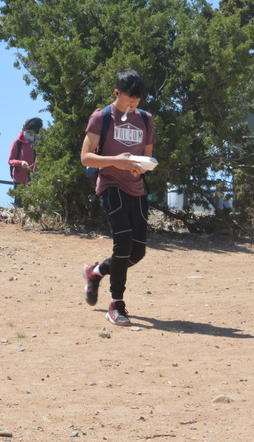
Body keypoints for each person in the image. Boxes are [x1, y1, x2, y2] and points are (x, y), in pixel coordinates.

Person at [80, 69, 155, 327]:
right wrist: (116, 162)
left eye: (137, 99)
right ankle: (116, 304)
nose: (132, 104)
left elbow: (147, 156)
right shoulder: (101, 117)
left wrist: (140, 167)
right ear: (116, 93)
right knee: (122, 243)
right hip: (110, 184)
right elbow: (86, 157)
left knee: (137, 253)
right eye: (128, 98)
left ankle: (96, 272)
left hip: (137, 188)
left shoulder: (146, 119)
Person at [8, 117, 43, 208]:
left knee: (33, 206)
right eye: (28, 132)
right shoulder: (17, 143)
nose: (30, 135)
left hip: (34, 179)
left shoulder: (39, 143)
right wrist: (21, 163)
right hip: (19, 179)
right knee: (19, 206)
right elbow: (11, 160)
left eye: (32, 133)